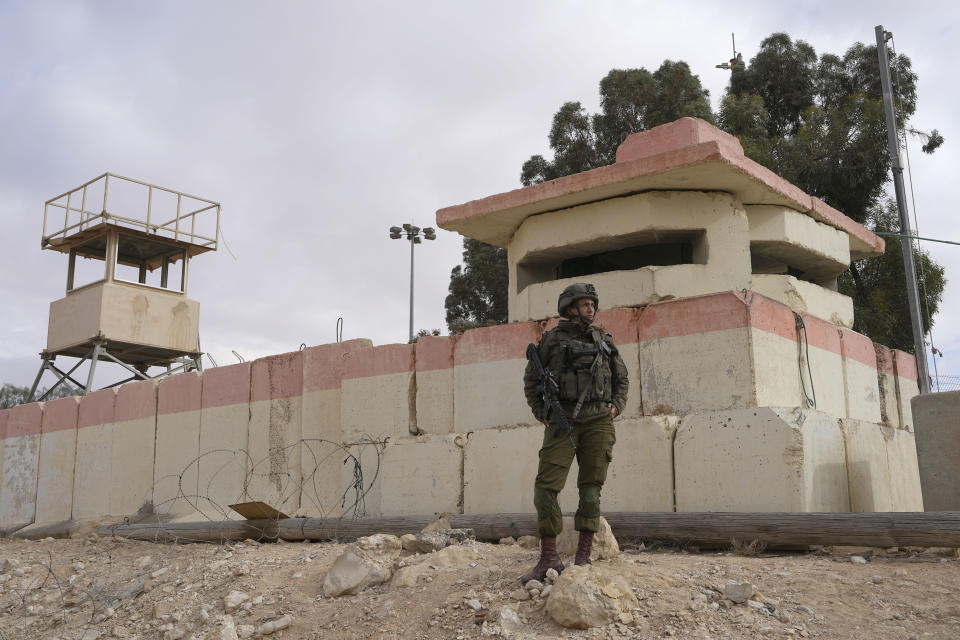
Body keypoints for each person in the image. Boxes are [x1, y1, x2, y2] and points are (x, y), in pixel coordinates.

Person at [521, 283, 628, 583]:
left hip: (598, 423)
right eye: (584, 304)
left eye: (592, 304)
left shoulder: (603, 340)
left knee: (591, 490)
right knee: (545, 490)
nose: (590, 308)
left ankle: (583, 557)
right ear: (569, 307)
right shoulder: (552, 341)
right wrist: (543, 413)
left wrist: (616, 407)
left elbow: (622, 378)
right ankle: (549, 557)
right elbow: (532, 381)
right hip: (562, 421)